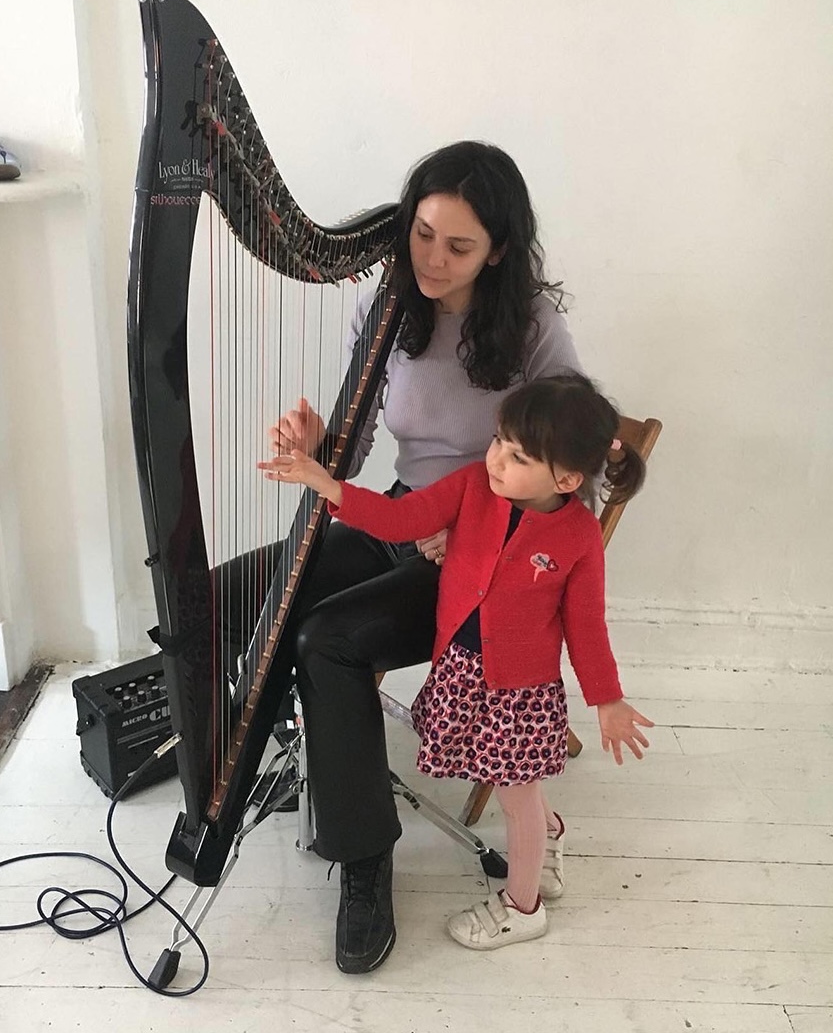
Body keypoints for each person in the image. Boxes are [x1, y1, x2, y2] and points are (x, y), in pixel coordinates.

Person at [229, 140, 582, 973]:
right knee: (245, 586)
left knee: (327, 640)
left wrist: (478, 525)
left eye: (458, 246)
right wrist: (320, 448)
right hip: (401, 518)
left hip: (479, 566)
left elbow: (573, 474)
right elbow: (352, 461)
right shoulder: (388, 307)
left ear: (497, 248)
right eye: (422, 234)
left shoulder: (531, 329)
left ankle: (363, 860)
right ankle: (255, 761)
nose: (432, 258)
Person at [259, 372, 655, 952]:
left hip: (521, 691)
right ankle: (550, 835)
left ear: (566, 479)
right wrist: (327, 483)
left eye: (517, 456)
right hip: (464, 671)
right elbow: (399, 520)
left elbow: (586, 628)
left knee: (514, 794)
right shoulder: (474, 485)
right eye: (499, 440)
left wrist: (607, 699)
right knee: (500, 771)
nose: (496, 459)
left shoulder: (577, 538)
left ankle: (523, 907)